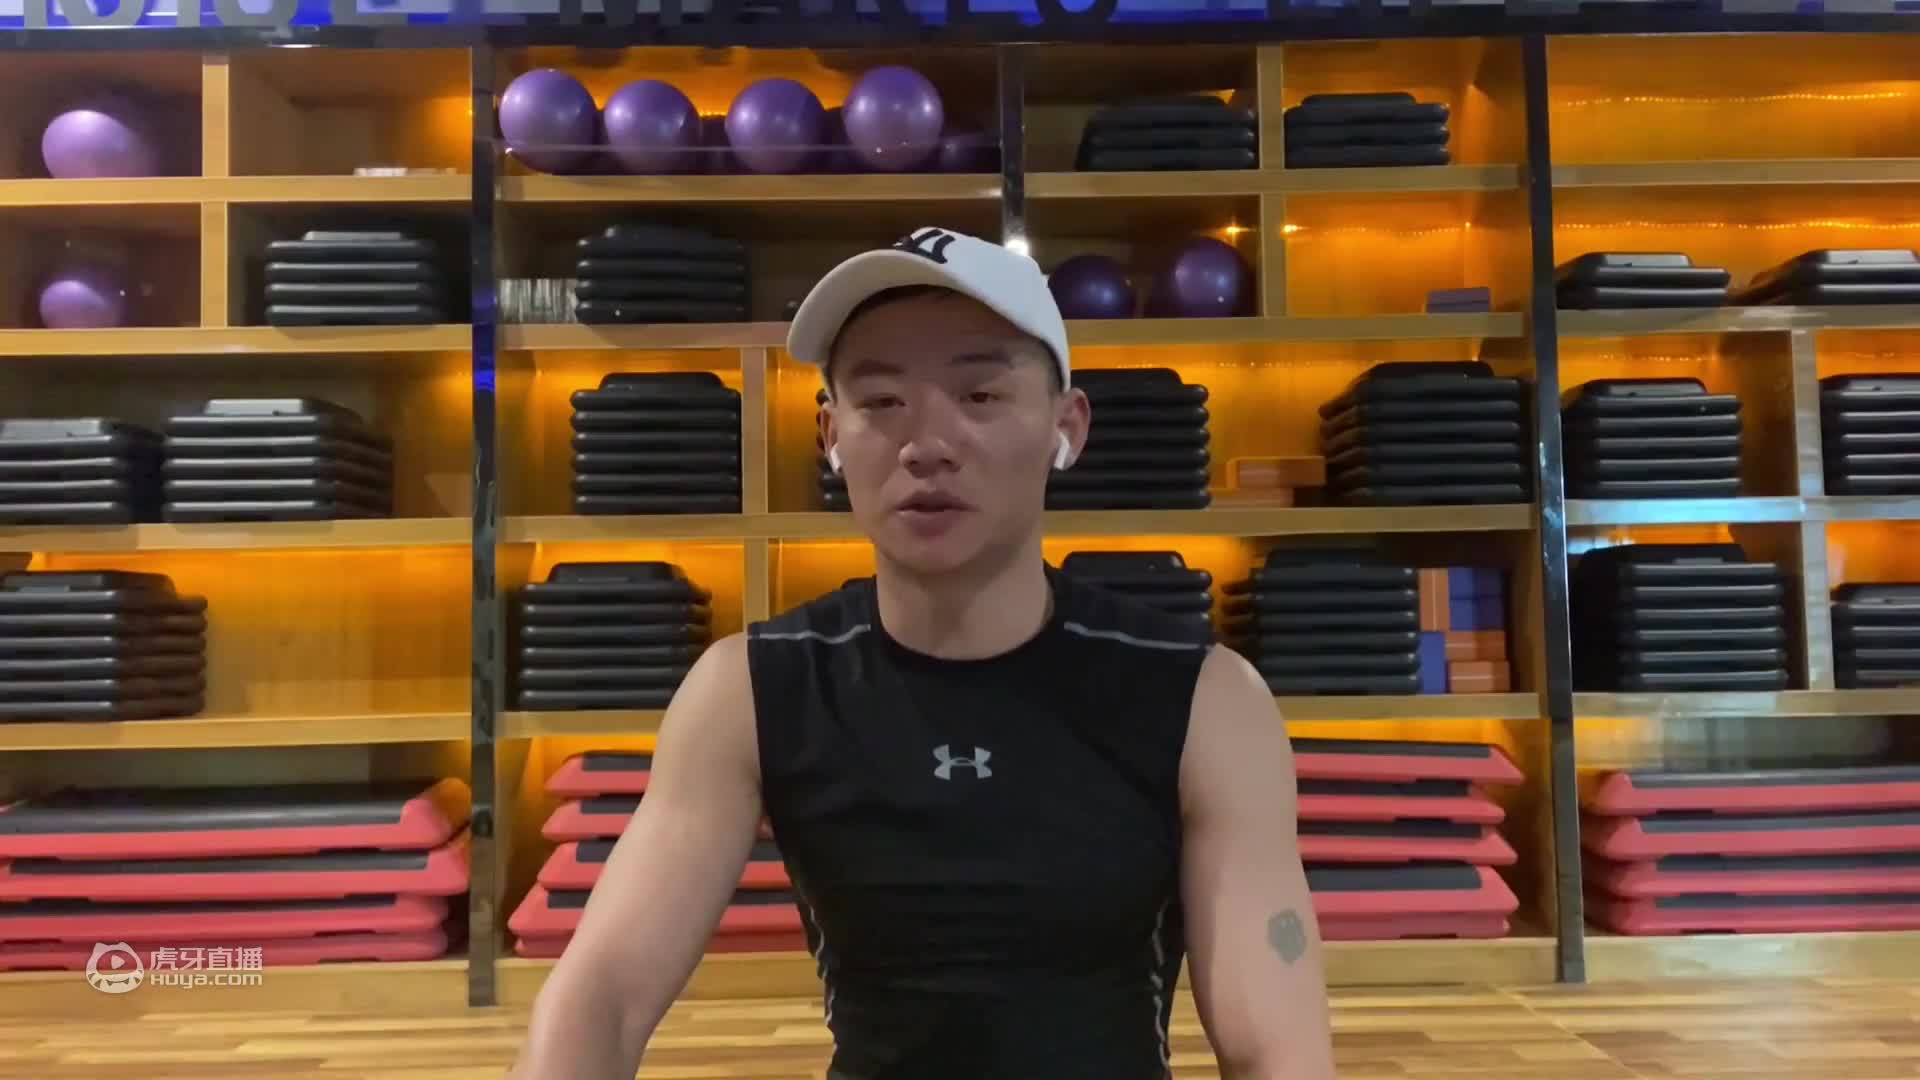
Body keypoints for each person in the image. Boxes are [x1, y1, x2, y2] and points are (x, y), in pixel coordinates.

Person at [509, 227, 1337, 1080]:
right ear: (831, 435)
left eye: (979, 394)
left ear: (1067, 426)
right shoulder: (750, 690)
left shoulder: (1203, 697)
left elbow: (1277, 1051)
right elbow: (602, 994)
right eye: (881, 401)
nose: (927, 443)